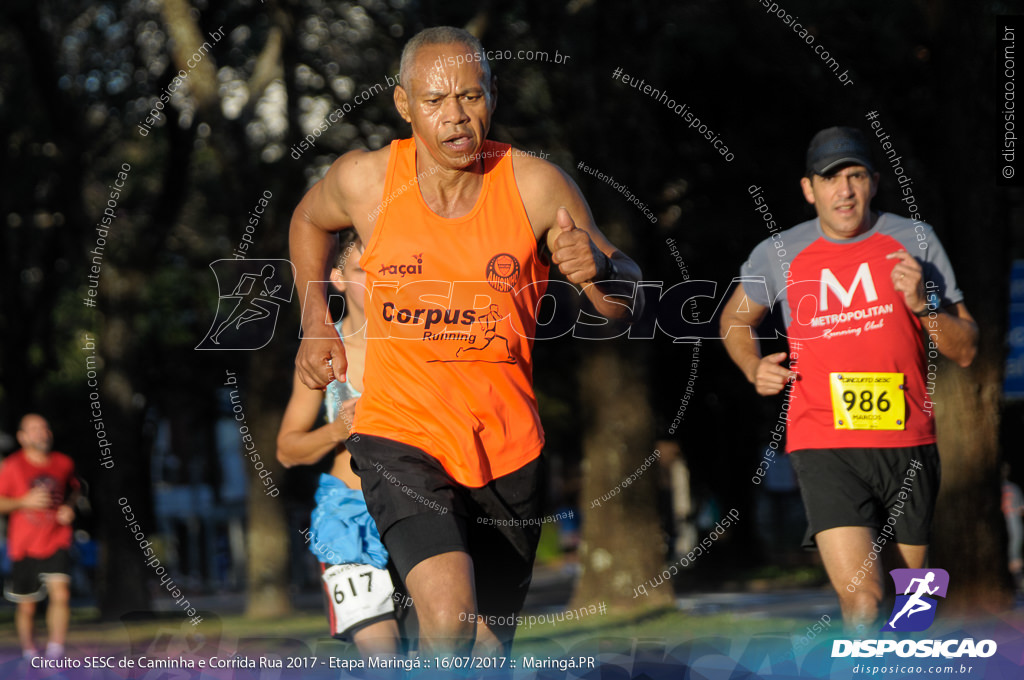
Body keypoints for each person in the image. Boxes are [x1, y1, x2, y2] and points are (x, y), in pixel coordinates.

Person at [288, 26, 642, 655]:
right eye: (434, 101)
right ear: (404, 105)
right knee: (448, 621)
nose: (455, 117)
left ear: (493, 97)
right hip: (402, 438)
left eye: (471, 98)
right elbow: (307, 219)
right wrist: (316, 318)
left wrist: (599, 269)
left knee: (485, 651)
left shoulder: (534, 185)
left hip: (507, 449)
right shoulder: (367, 183)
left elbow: (622, 300)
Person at [720, 127, 978, 633]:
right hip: (823, 441)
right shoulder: (779, 252)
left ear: (874, 182)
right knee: (862, 600)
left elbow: (966, 348)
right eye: (830, 178)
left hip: (908, 439)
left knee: (915, 606)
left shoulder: (915, 239)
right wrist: (753, 367)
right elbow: (733, 319)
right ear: (808, 189)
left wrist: (924, 308)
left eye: (855, 176)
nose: (844, 190)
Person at [277, 232, 403, 657]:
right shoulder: (322, 355)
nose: (377, 281)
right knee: (382, 660)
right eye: (363, 270)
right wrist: (339, 429)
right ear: (337, 278)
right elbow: (287, 450)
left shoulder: (416, 350)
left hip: (423, 505)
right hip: (348, 516)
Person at [0, 414, 79, 660]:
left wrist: (70, 507)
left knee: (61, 593)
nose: (41, 433)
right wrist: (23, 501)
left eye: (44, 428)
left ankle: (56, 654)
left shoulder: (63, 463)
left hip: (57, 537)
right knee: (27, 606)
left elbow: (75, 490)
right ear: (22, 437)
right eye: (34, 429)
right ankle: (30, 654)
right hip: (24, 544)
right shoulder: (12, 466)